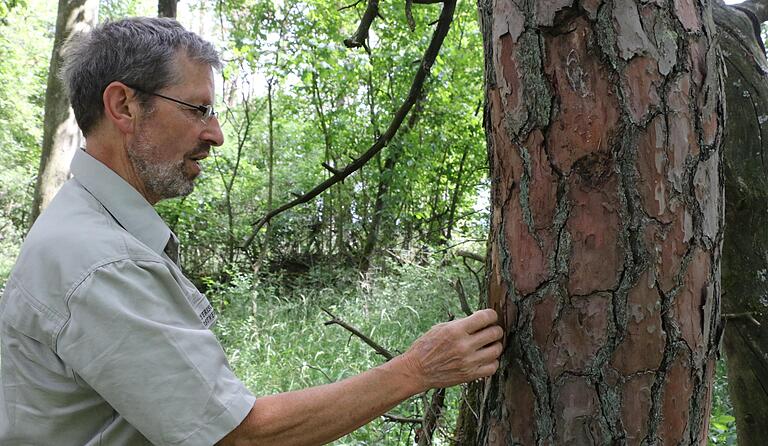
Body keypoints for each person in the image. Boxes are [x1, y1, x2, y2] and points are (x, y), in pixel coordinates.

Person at [0, 17, 503, 445]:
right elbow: (238, 436)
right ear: (125, 106)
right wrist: (417, 369)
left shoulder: (87, 227)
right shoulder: (100, 262)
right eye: (198, 109)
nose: (215, 134)